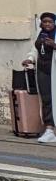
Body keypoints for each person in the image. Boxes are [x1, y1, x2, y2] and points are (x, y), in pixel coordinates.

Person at [27, 13, 56, 143]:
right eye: (45, 22)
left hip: (54, 70)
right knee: (46, 100)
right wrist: (29, 59)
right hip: (43, 71)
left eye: (50, 22)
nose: (48, 24)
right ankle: (49, 129)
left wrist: (55, 45)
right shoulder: (40, 33)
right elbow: (34, 50)